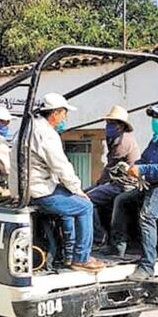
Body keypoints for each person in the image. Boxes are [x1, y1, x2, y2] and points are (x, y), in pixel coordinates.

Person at [109, 103, 158, 281]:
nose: (155, 121)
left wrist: (143, 170)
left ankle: (147, 266)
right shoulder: (157, 138)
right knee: (122, 200)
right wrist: (133, 168)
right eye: (153, 118)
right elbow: (144, 159)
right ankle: (118, 246)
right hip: (152, 183)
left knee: (147, 216)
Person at [26, 92, 104, 272]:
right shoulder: (46, 134)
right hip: (40, 191)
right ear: (55, 113)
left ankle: (69, 254)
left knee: (70, 205)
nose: (65, 117)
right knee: (85, 206)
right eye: (64, 113)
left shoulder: (29, 128)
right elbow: (61, 166)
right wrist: (77, 189)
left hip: (32, 188)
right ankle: (81, 257)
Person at [86, 105, 140, 246]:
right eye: (108, 123)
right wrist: (98, 184)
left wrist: (99, 183)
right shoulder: (116, 139)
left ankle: (99, 236)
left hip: (124, 185)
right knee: (87, 192)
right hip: (116, 182)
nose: (108, 126)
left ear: (121, 126)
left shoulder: (124, 142)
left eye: (112, 123)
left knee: (86, 201)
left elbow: (111, 167)